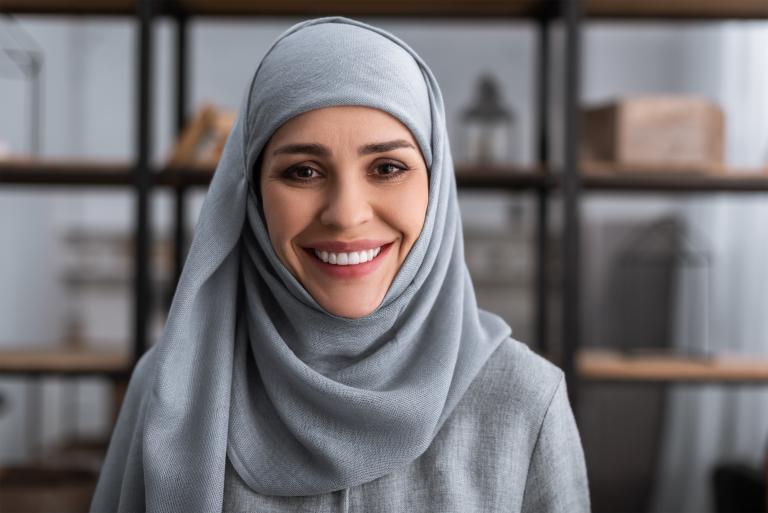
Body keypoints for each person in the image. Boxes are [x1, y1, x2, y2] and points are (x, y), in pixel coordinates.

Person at [90, 17, 590, 513]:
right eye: (302, 171)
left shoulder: (526, 401)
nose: (346, 215)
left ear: (436, 187)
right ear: (251, 193)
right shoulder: (171, 386)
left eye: (388, 168)